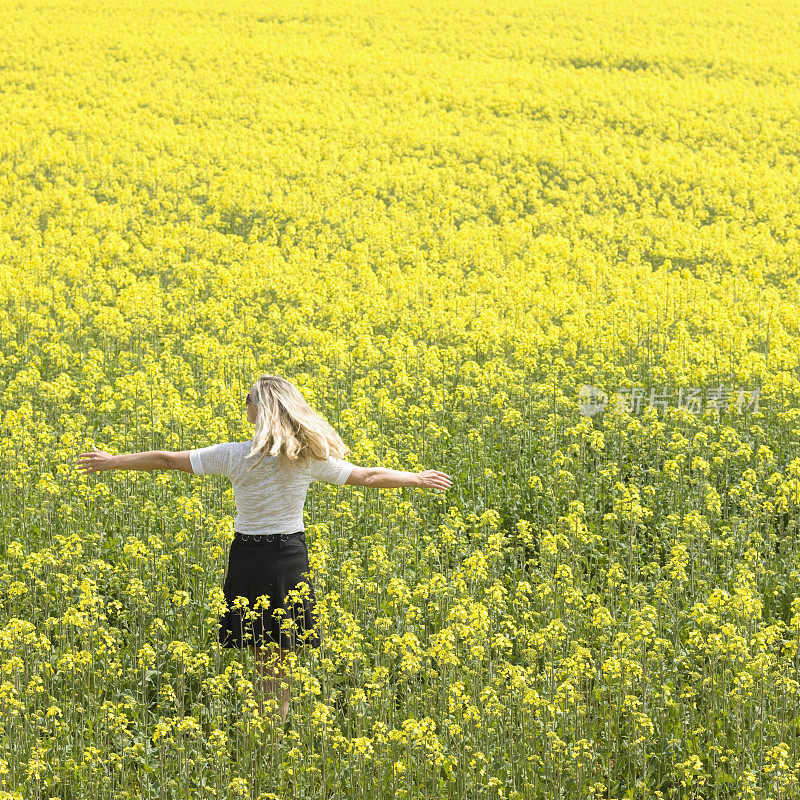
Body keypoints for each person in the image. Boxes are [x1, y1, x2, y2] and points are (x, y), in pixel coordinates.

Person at [76, 373, 453, 737]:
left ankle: (266, 731)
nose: (244, 404)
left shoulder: (235, 456)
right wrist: (415, 478)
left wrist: (113, 461)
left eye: (248, 399)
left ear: (262, 409)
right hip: (289, 555)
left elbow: (167, 460)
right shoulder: (304, 458)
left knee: (262, 653)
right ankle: (273, 729)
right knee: (281, 655)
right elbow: (368, 476)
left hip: (249, 556)